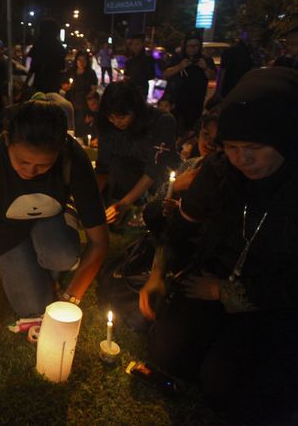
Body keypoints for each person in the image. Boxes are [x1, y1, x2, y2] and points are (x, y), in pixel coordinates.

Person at [141, 68, 298, 423]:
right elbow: (180, 227)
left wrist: (227, 293)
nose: (243, 159)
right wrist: (158, 274)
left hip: (272, 301)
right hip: (211, 278)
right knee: (168, 353)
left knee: (224, 385)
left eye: (255, 148)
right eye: (233, 147)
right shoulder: (220, 170)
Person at [0, 100, 109, 344]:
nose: (30, 172)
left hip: (51, 222)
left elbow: (100, 242)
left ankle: (46, 267)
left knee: (62, 256)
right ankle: (14, 265)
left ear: (59, 151)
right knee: (33, 307)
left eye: (42, 165)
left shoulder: (73, 159)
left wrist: (69, 299)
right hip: (4, 230)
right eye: (22, 162)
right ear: (8, 141)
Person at [96, 81, 179, 225]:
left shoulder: (162, 122)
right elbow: (103, 165)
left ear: (135, 110)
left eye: (122, 117)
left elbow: (154, 171)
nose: (116, 122)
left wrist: (124, 203)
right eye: (111, 117)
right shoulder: (106, 124)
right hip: (121, 187)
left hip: (157, 191)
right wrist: (92, 199)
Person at [142, 112, 219, 237]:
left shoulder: (222, 176)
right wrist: (176, 186)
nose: (210, 143)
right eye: (206, 134)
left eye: (217, 139)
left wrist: (183, 208)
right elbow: (158, 198)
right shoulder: (191, 164)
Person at [162, 34, 216, 137]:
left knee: (192, 131)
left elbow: (212, 76)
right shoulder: (177, 57)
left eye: (196, 46)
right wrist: (180, 66)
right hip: (176, 100)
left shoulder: (205, 59)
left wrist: (205, 68)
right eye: (189, 46)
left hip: (196, 101)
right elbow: (165, 74)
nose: (193, 49)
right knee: (173, 128)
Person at [216, 25, 263, 99]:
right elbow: (223, 72)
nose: (256, 37)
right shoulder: (234, 52)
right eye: (251, 32)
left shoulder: (254, 53)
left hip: (240, 91)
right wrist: (218, 93)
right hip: (235, 91)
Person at [26, 19, 66, 93]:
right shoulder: (59, 47)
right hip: (54, 85)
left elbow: (33, 67)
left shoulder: (39, 44)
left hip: (40, 84)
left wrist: (26, 84)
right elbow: (62, 67)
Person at [66, 50, 98, 137]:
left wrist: (88, 97)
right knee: (70, 123)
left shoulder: (90, 73)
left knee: (80, 124)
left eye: (84, 60)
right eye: (79, 60)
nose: (81, 62)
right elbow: (65, 85)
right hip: (71, 100)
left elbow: (93, 89)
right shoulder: (71, 71)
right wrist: (67, 87)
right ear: (76, 60)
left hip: (83, 103)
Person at [123, 33, 156, 99]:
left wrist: (138, 77)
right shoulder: (130, 57)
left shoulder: (148, 58)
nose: (134, 46)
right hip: (129, 88)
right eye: (133, 44)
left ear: (142, 45)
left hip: (141, 89)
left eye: (137, 44)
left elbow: (151, 75)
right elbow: (127, 73)